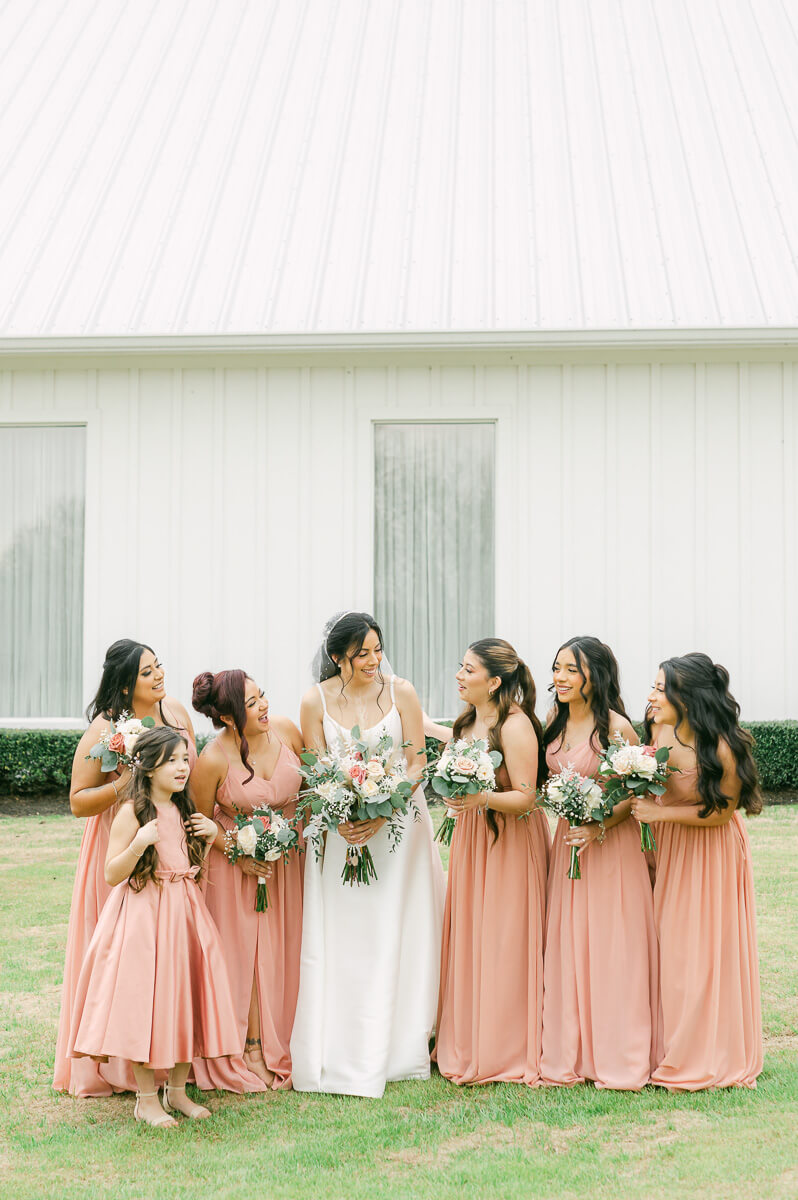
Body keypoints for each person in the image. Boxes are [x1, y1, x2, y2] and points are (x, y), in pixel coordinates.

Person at [290, 612, 445, 1098]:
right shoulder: (314, 701)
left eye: (378, 649)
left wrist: (386, 806)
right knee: (348, 929)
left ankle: (403, 1041)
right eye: (363, 654)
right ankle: (342, 1037)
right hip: (340, 834)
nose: (375, 660)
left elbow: (418, 760)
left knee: (400, 925)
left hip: (399, 827)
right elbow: (315, 769)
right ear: (338, 657)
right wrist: (341, 812)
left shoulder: (402, 693)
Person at [68, 727, 240, 1127]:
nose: (182, 768)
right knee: (144, 1001)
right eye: (172, 761)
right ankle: (146, 1099)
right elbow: (112, 873)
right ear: (147, 767)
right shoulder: (132, 812)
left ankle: (177, 1092)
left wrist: (213, 833)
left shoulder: (184, 810)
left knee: (184, 996)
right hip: (143, 916)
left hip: (183, 913)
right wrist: (138, 843)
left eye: (185, 759)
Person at [53, 639, 196, 1096]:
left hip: (171, 839)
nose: (159, 677)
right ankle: (114, 1062)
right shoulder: (104, 728)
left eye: (159, 667)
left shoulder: (174, 711)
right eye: (147, 672)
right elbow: (77, 801)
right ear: (125, 681)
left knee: (168, 952)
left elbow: (185, 767)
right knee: (121, 952)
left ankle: (167, 1057)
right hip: (123, 838)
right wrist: (128, 786)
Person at [631, 652, 763, 1090]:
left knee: (700, 950)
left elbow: (722, 814)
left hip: (708, 851)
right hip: (668, 848)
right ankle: (668, 1045)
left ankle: (704, 1053)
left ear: (684, 696)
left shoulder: (721, 745)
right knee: (668, 946)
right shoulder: (658, 728)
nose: (651, 695)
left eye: (659, 687)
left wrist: (659, 814)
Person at [540, 636, 658, 1090]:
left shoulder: (617, 729)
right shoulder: (554, 719)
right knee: (571, 944)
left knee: (612, 946)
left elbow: (635, 793)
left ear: (595, 675)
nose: (560, 678)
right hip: (568, 846)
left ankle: (617, 1051)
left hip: (611, 848)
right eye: (557, 668)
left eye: (571, 670)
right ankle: (572, 1049)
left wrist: (599, 825)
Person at [432, 638, 551, 1085]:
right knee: (472, 934)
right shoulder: (468, 721)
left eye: (468, 670)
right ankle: (468, 1036)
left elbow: (526, 796)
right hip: (472, 840)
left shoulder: (516, 726)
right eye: (460, 667)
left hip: (510, 843)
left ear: (495, 681)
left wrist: (479, 796)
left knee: (504, 938)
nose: (459, 676)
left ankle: (505, 1045)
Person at [190, 669, 304, 1091]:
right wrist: (240, 853)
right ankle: (250, 1048)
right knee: (250, 960)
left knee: (287, 951)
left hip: (291, 867)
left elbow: (314, 786)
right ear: (229, 718)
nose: (264, 707)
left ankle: (291, 1037)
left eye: (263, 696)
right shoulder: (213, 758)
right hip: (237, 871)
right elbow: (198, 820)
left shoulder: (289, 732)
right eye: (252, 703)